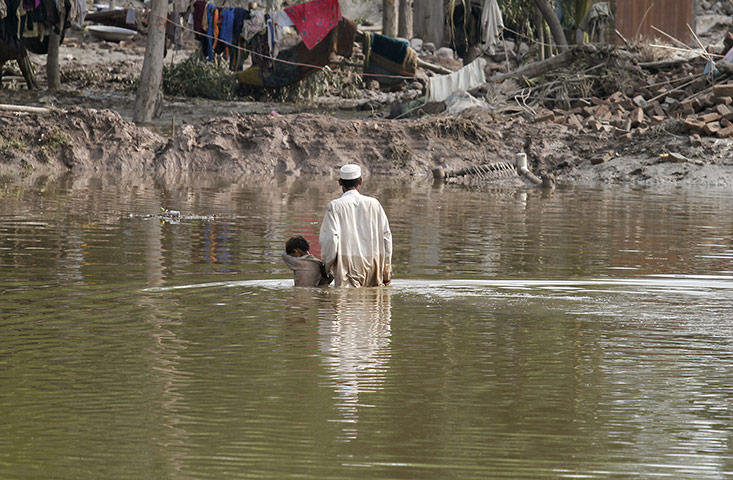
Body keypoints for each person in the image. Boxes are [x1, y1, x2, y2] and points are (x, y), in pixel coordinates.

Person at [319, 164, 392, 288]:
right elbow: (387, 239)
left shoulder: (335, 206)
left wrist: (325, 268)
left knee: (346, 305)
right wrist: (386, 273)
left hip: (347, 269)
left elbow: (331, 240)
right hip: (373, 267)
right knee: (372, 305)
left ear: (340, 182)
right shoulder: (374, 204)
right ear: (361, 182)